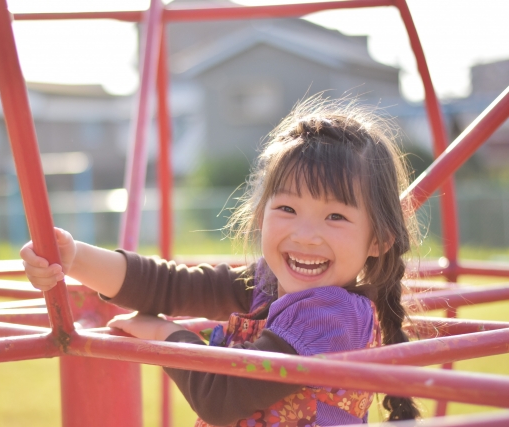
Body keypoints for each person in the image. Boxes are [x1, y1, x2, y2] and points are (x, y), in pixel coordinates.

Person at [21, 96, 421, 426]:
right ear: (262, 215)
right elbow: (171, 285)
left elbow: (222, 398)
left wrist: (166, 337)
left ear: (380, 239)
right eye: (287, 208)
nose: (305, 235)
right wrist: (73, 257)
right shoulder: (267, 285)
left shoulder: (330, 316)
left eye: (336, 216)